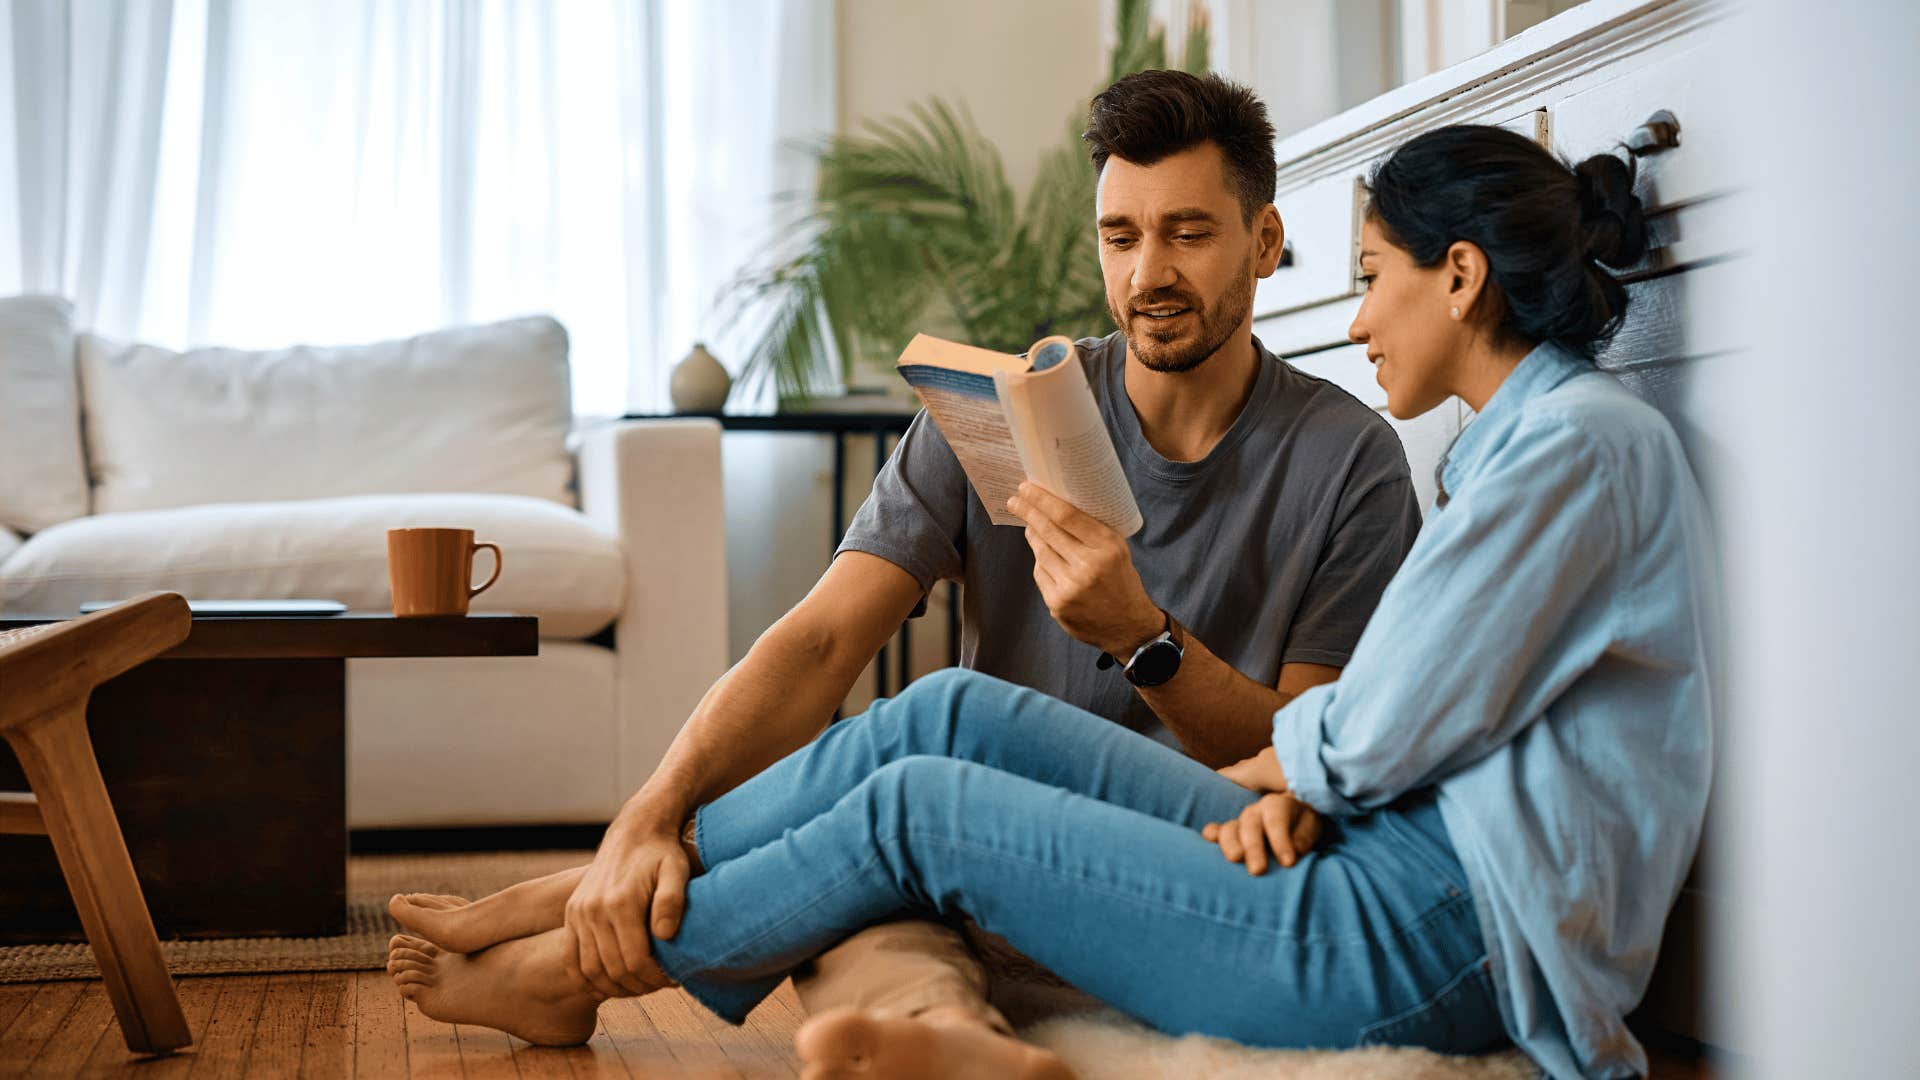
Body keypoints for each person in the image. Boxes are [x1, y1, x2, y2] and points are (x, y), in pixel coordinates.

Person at [387, 122, 1712, 1080]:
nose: (1358, 317)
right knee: (947, 709)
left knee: (915, 813)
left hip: (1429, 914)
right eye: (1121, 236)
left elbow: (1374, 723)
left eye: (1371, 278)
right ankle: (593, 896)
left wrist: (1190, 681)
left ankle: (582, 960)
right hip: (1372, 857)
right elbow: (827, 637)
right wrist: (648, 815)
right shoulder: (1513, 443)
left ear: (1457, 275)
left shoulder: (1545, 449)